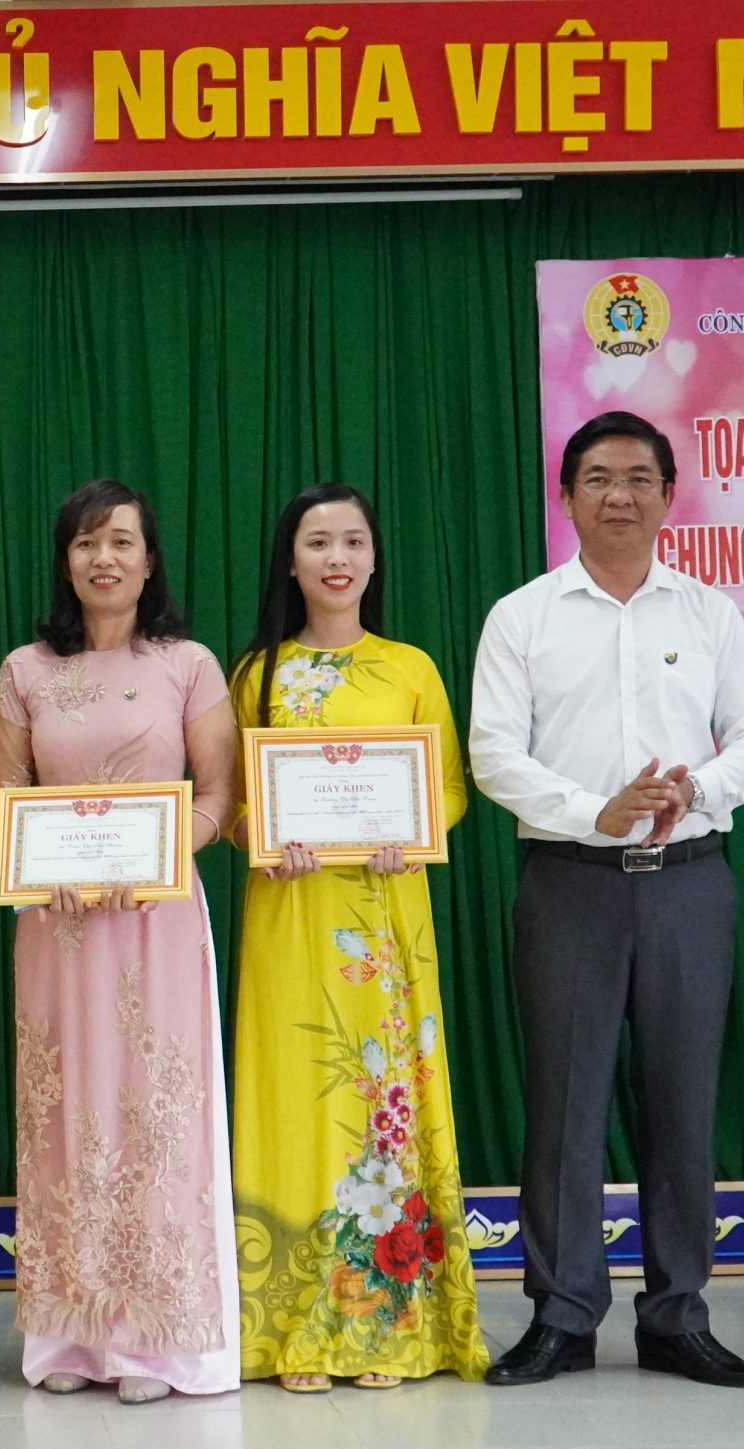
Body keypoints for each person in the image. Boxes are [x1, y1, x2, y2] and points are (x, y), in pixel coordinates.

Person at [469, 411, 744, 1389]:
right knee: (564, 1106)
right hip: (570, 884)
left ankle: (677, 1316)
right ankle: (561, 1316)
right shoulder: (521, 617)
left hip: (690, 885)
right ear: (566, 495)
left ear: (667, 496)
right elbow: (492, 753)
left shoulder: (709, 614)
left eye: (639, 478)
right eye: (598, 477)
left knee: (683, 1103)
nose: (619, 495)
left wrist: (699, 788)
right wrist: (591, 812)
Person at [230, 483, 486, 1392]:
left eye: (352, 540)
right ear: (290, 561)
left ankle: (385, 1327)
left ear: (375, 558)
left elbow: (449, 788)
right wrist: (265, 838)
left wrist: (410, 832)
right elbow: (236, 806)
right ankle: (286, 1328)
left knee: (383, 1107)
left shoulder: (411, 667)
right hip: (290, 916)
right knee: (294, 1099)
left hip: (384, 917)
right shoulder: (255, 674)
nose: (336, 557)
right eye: (316, 541)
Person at [0, 481, 240, 1405]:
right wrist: (36, 867)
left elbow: (219, 795)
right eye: (87, 542)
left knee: (154, 1110)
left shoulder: (188, 664)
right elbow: (10, 796)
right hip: (55, 926)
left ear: (149, 558)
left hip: (155, 919)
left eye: (122, 542)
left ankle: (158, 1341)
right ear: (65, 560)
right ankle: (71, 1333)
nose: (105, 558)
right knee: (63, 1112)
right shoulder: (24, 669)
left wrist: (164, 853)